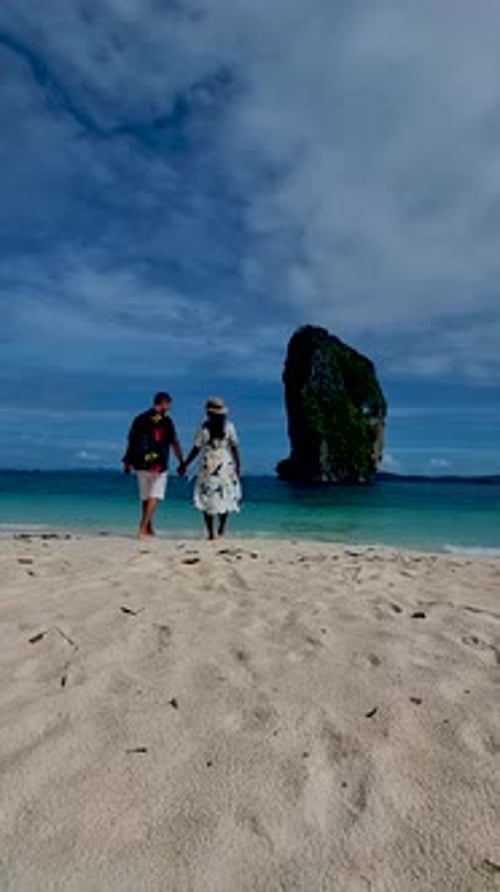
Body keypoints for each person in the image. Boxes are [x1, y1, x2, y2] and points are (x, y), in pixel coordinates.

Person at [123, 391, 184, 538]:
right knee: (155, 495)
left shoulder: (139, 419)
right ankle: (142, 528)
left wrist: (127, 461)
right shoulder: (166, 421)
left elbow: (131, 441)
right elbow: (174, 443)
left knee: (146, 497)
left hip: (139, 461)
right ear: (164, 403)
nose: (168, 408)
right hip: (158, 463)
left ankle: (149, 528)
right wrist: (182, 461)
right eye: (168, 405)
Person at [180, 397, 242, 540]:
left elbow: (196, 449)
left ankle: (211, 533)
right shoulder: (229, 426)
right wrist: (238, 465)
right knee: (225, 494)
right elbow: (234, 447)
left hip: (209, 463)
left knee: (208, 497)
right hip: (225, 463)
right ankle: (222, 529)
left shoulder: (204, 428)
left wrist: (185, 464)